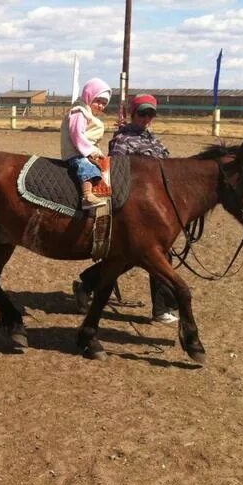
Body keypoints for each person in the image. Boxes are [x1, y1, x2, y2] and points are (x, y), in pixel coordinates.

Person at [73, 93, 179, 323]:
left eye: (151, 113)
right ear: (133, 113)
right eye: (143, 113)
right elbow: (117, 172)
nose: (147, 118)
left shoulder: (154, 138)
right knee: (145, 256)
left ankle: (87, 284)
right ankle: (160, 309)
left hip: (154, 208)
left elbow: (167, 166)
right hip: (134, 209)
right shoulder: (123, 139)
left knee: (139, 257)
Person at [60, 77, 111, 209]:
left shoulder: (88, 114)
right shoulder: (79, 112)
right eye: (98, 101)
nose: (100, 105)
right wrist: (90, 151)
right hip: (76, 152)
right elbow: (76, 135)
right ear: (89, 96)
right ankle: (87, 195)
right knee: (88, 167)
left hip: (83, 150)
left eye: (104, 103)